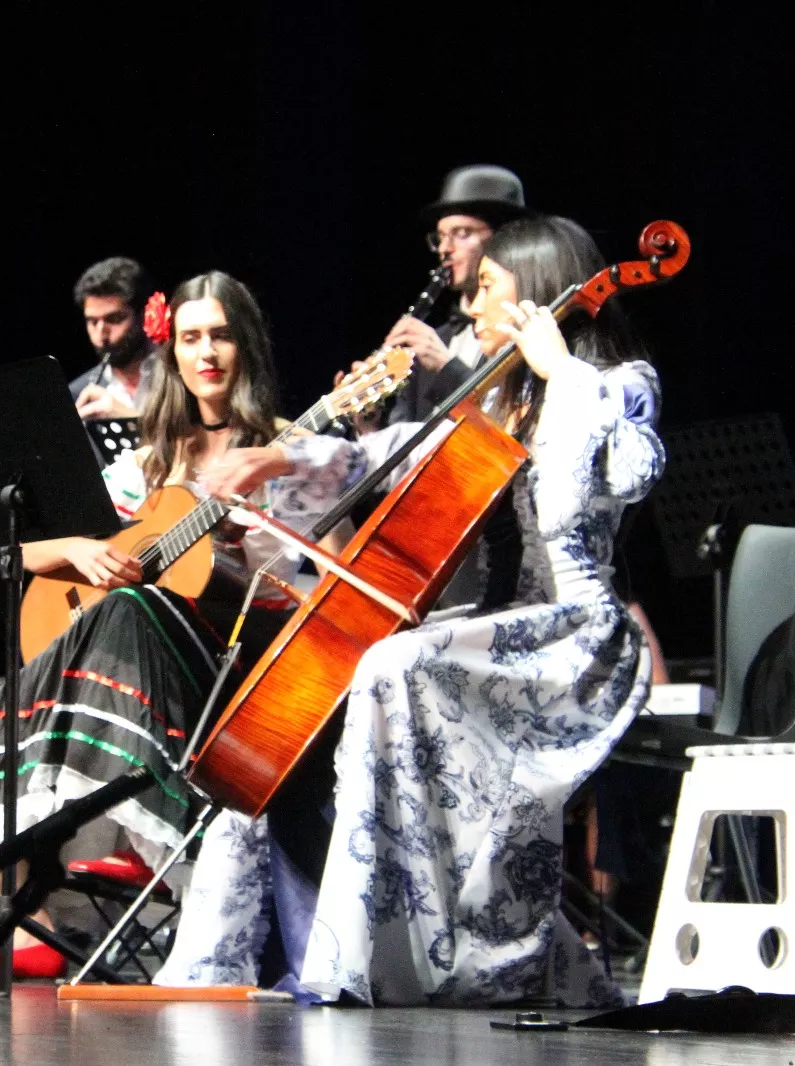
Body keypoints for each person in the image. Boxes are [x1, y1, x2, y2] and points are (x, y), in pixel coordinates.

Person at [155, 216, 665, 1008]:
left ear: (538, 293)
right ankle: (403, 948)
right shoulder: (498, 395)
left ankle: (421, 946)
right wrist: (283, 455)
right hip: (496, 631)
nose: (475, 305)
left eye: (490, 287)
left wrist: (562, 371)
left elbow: (583, 499)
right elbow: (390, 450)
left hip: (575, 633)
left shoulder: (616, 383)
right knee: (367, 671)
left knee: (393, 663)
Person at [0, 271, 355, 980]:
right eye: (192, 337)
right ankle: (36, 916)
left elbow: (329, 591)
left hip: (246, 675)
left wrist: (248, 549)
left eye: (222, 336)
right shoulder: (147, 463)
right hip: (143, 676)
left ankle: (133, 841)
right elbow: (12, 553)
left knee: (129, 612)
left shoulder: (288, 453)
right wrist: (77, 547)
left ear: (248, 346)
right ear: (171, 351)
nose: (207, 354)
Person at [378, 165, 528, 427]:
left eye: (461, 233)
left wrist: (447, 369)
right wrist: (369, 422)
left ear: (504, 238)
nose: (445, 249)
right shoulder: (430, 345)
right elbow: (402, 443)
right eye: (440, 237)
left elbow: (510, 428)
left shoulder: (529, 334)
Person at [67, 256, 160, 420]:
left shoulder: (181, 373)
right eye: (93, 322)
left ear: (144, 314)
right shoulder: (77, 393)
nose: (101, 334)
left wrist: (128, 418)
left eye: (114, 319)